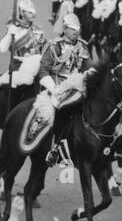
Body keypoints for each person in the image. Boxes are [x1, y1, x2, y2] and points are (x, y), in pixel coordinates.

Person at [28, 13, 92, 166]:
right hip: (57, 87)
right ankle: (54, 148)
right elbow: (43, 70)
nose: (75, 31)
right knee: (55, 111)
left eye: (77, 29)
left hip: (78, 87)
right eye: (71, 29)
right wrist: (54, 88)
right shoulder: (54, 46)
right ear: (64, 29)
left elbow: (87, 68)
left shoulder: (82, 46)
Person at [0, 0, 47, 91]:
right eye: (29, 12)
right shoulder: (14, 28)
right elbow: (2, 49)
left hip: (38, 66)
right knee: (19, 90)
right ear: (22, 12)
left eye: (33, 12)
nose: (33, 14)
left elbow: (44, 47)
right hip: (19, 66)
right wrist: (10, 33)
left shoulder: (38, 28)